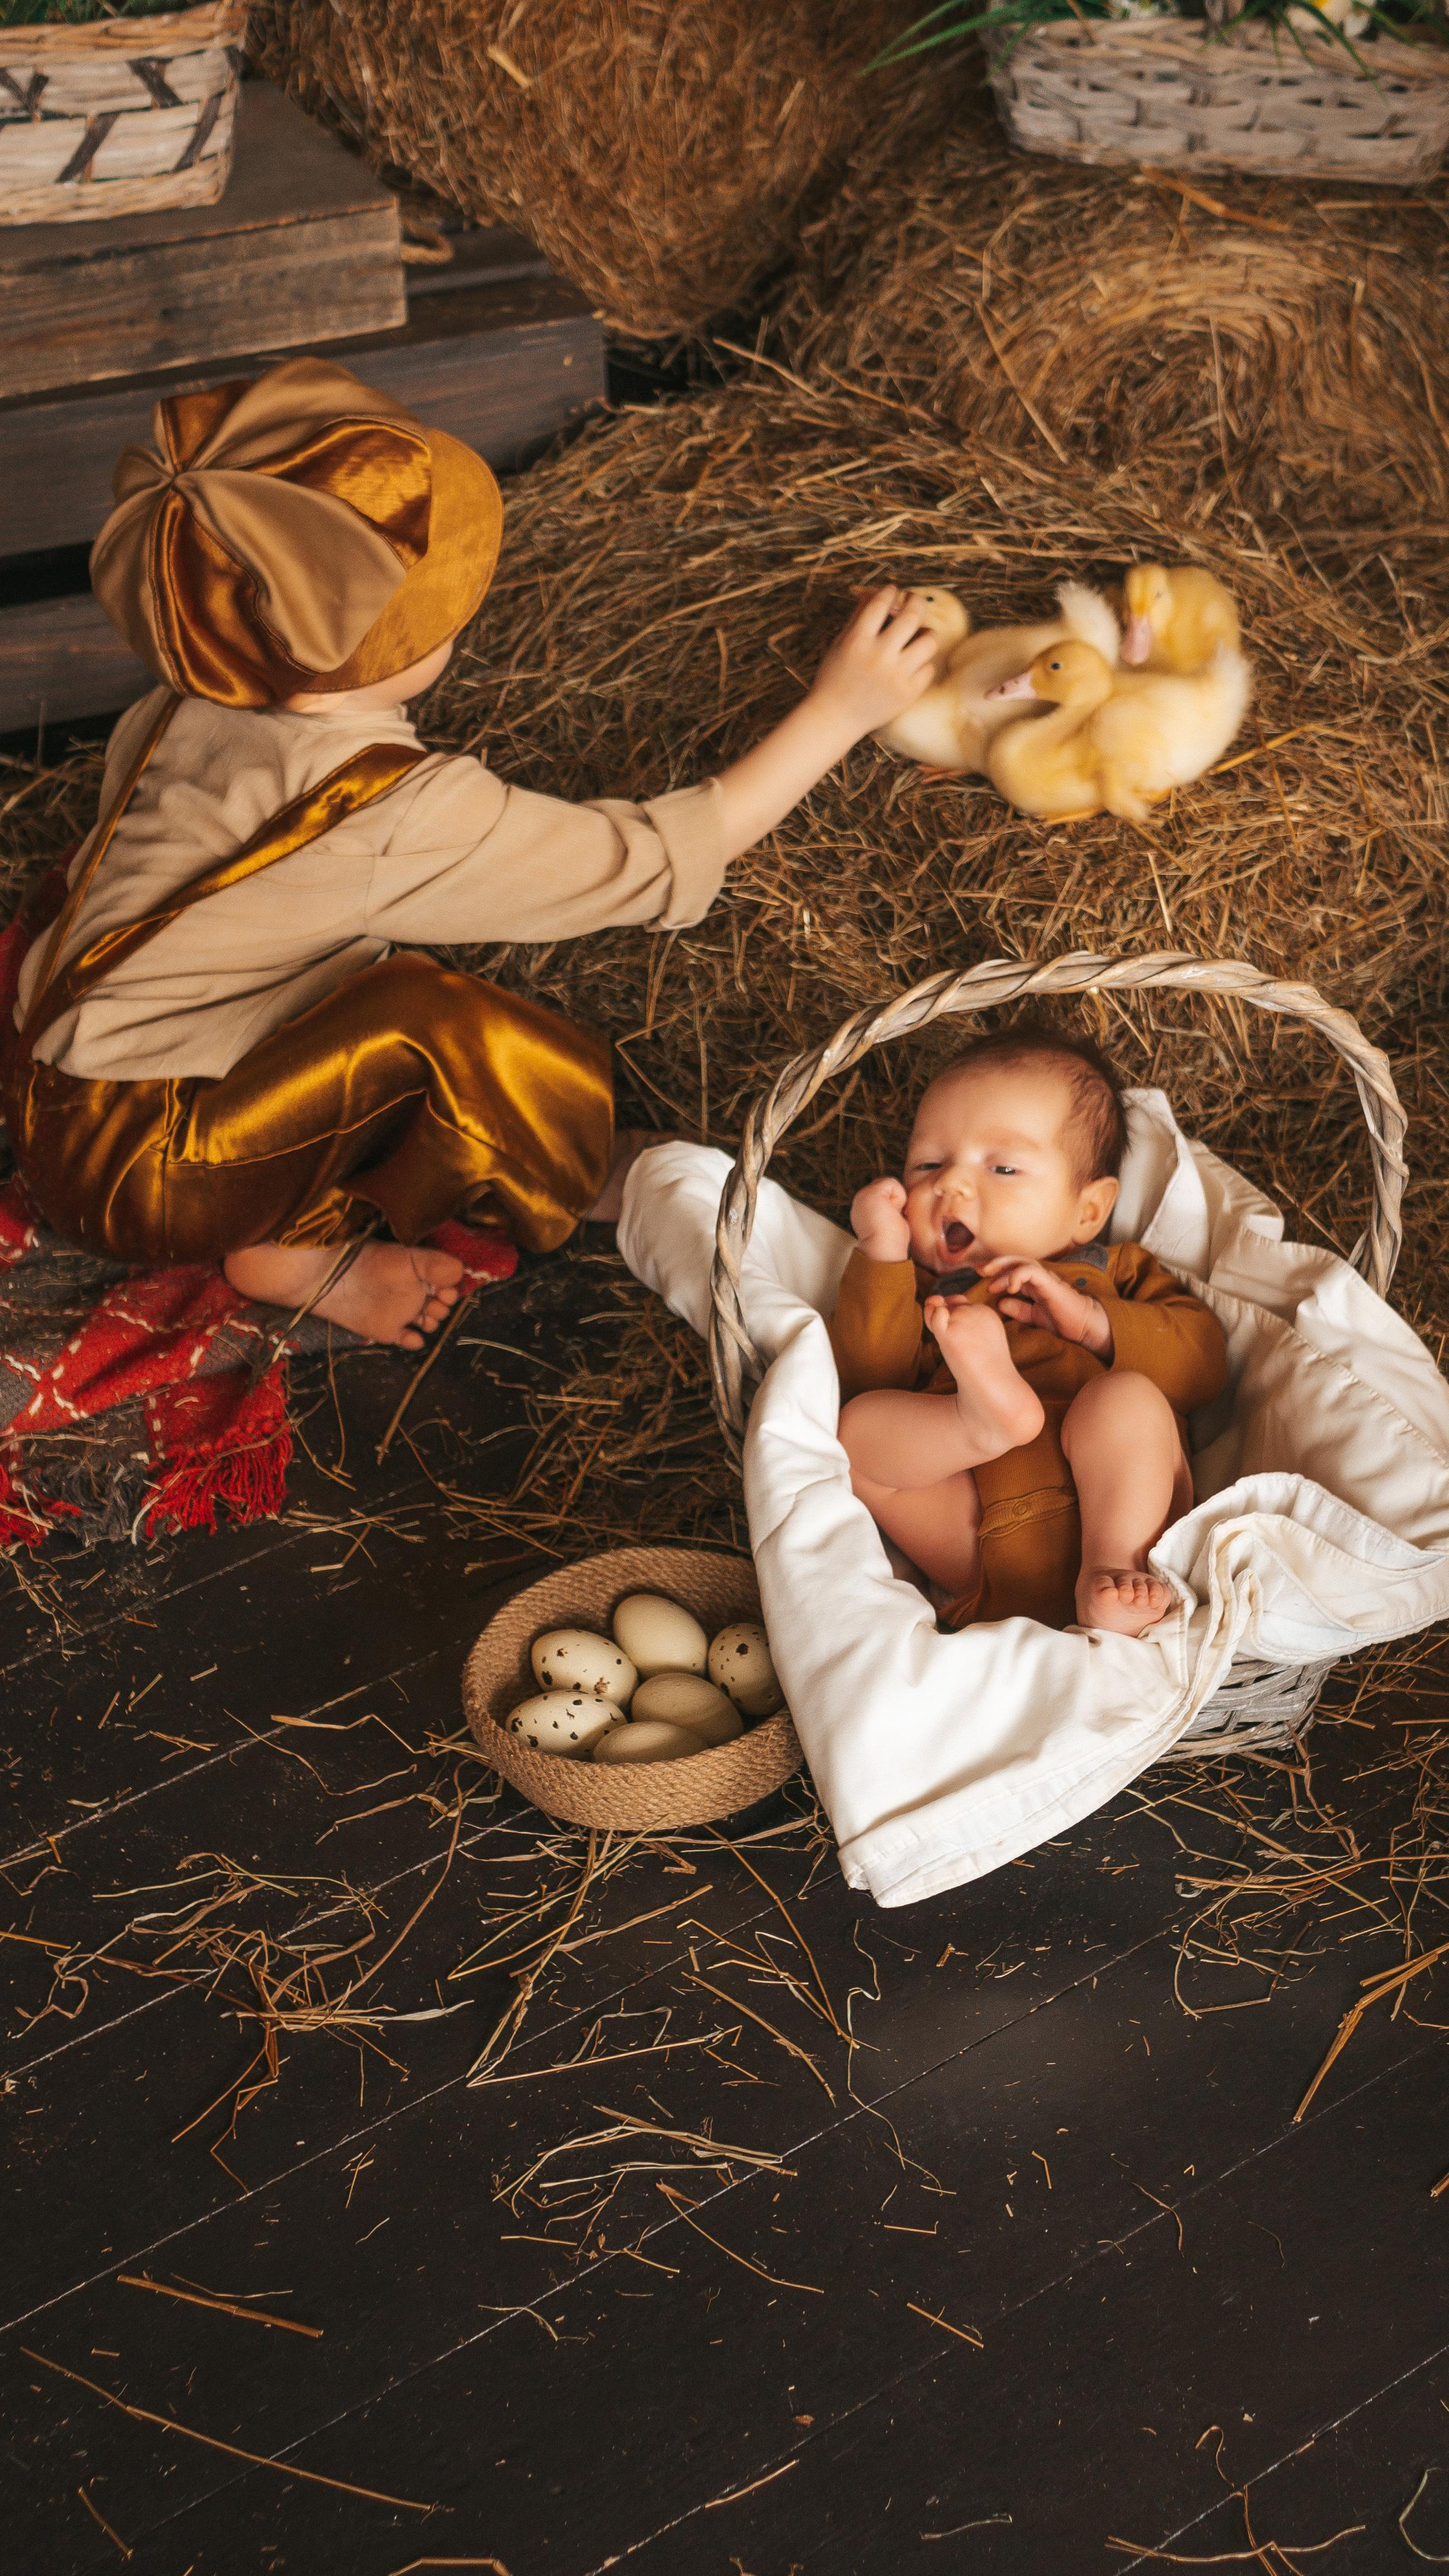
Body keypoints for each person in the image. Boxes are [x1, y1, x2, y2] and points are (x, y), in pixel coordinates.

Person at [3, 357, 940, 1352]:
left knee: (327, 973)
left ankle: (280, 1221)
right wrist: (841, 710)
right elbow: (646, 864)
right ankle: (584, 1178)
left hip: (46, 1072)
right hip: (147, 1173)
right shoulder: (392, 812)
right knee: (439, 1026)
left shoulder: (194, 690)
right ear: (368, 644)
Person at [829, 1023, 1230, 1638]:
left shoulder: (1111, 1273)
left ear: (1087, 1210)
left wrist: (1093, 1324)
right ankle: (982, 1421)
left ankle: (1111, 1570)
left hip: (1115, 1516)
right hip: (979, 1536)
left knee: (1125, 1399)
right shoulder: (920, 1295)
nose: (949, 1183)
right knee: (856, 1432)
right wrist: (880, 1253)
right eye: (928, 1164)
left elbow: (1203, 1364)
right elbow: (868, 1373)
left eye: (1004, 1167)